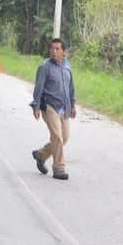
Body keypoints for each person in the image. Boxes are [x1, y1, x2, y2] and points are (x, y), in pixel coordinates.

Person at [30, 38, 77, 181]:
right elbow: (39, 87)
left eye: (57, 49)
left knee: (64, 137)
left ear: (64, 52)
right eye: (52, 49)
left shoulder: (67, 67)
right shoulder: (45, 67)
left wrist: (73, 105)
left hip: (64, 107)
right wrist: (36, 106)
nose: (54, 51)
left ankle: (41, 155)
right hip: (49, 106)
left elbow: (70, 88)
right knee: (57, 136)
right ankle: (59, 168)